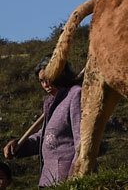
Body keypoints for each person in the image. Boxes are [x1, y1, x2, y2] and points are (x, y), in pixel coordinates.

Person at [3, 56, 82, 187]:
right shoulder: (51, 103)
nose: (45, 85)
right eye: (41, 81)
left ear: (60, 73)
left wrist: (76, 174)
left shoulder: (75, 95)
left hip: (68, 179)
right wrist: (20, 146)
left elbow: (82, 141)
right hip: (49, 180)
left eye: (48, 79)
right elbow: (47, 137)